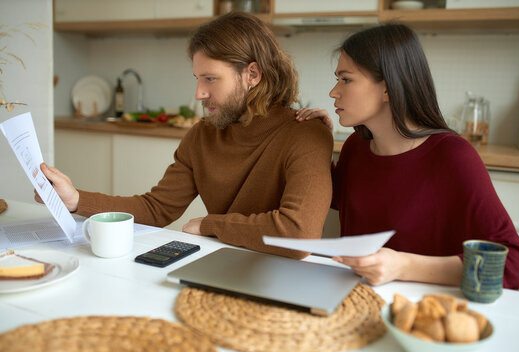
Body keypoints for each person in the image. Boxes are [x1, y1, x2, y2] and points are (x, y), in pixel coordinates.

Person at [38, 12, 334, 259]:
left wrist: (210, 224)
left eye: (211, 79)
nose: (199, 93)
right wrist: (77, 200)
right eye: (197, 78)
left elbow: (299, 233)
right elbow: (157, 208)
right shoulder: (202, 136)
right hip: (220, 262)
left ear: (252, 75)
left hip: (278, 272)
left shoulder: (305, 134)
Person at [296, 23, 519, 289]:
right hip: (352, 303)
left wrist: (401, 267)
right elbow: (325, 197)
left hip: (422, 313)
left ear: (388, 88)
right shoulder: (355, 147)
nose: (333, 92)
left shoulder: (454, 157)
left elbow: (512, 266)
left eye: (346, 79)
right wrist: (316, 141)